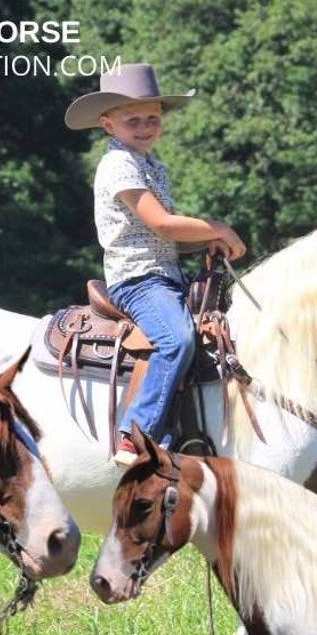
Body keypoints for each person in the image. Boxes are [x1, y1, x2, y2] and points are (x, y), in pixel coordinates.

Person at [65, 63, 246, 465]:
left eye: (153, 118)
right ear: (108, 124)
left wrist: (207, 241)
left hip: (165, 275)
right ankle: (136, 433)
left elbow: (163, 237)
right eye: (134, 121)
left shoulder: (151, 166)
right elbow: (161, 223)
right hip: (138, 280)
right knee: (176, 339)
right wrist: (215, 226)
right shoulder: (119, 166)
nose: (145, 127)